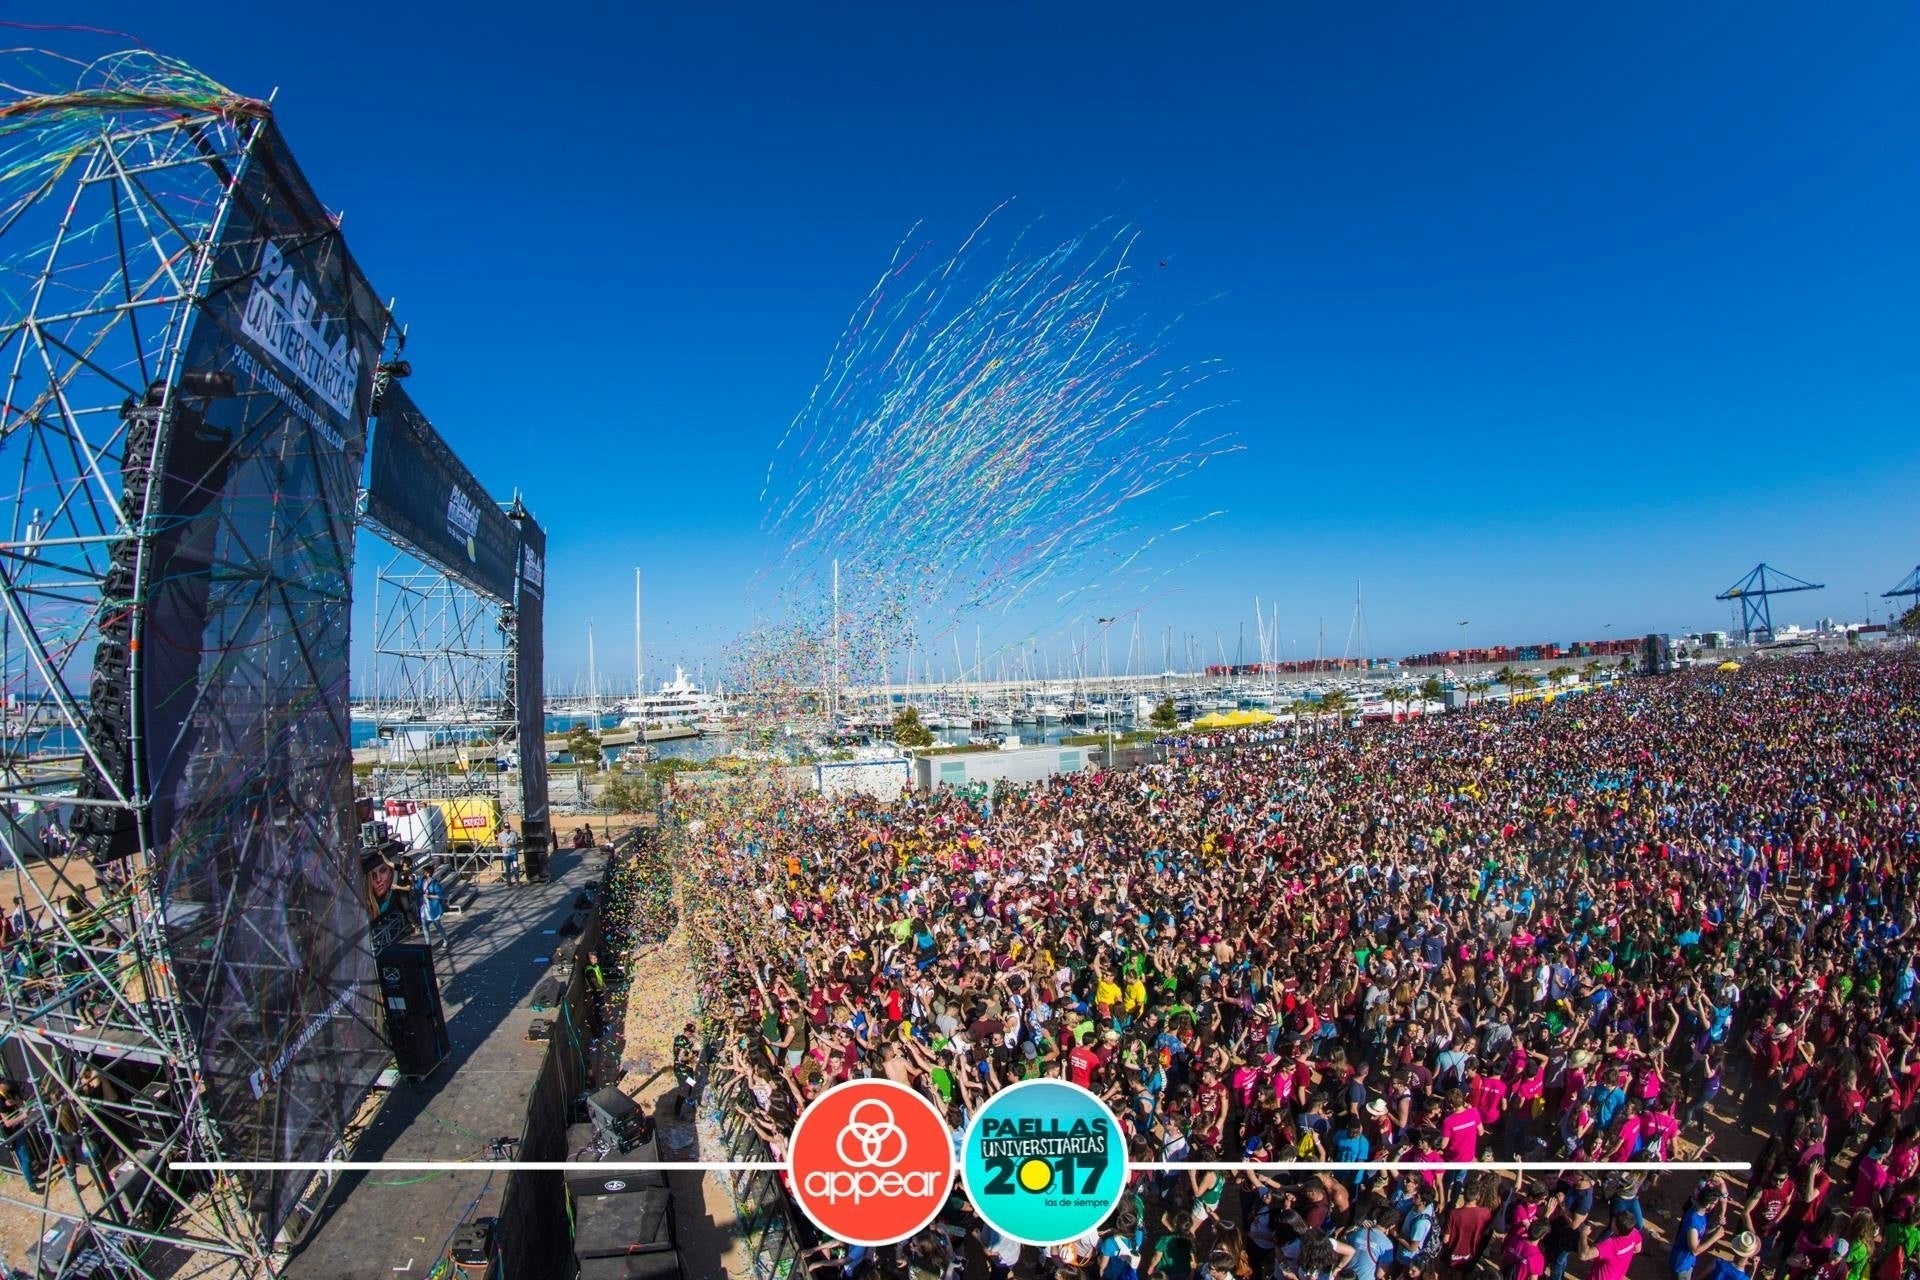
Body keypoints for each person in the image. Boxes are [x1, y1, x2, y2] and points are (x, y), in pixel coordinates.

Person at [417, 875, 449, 952]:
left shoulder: (435, 884)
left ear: (428, 873)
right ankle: (428, 945)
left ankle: (445, 940)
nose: (423, 874)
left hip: (433, 908)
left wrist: (430, 896)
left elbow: (441, 896)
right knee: (425, 927)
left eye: (424, 872)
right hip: (424, 908)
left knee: (438, 926)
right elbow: (416, 888)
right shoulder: (421, 881)